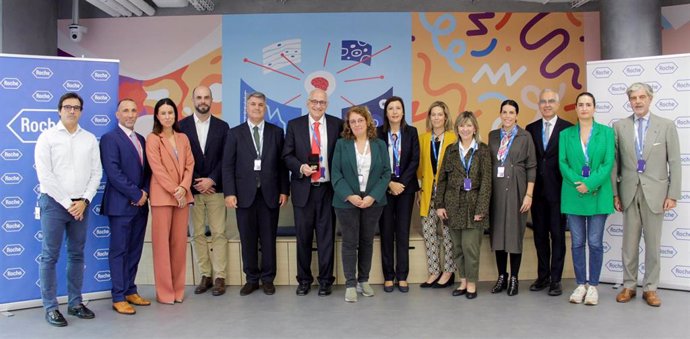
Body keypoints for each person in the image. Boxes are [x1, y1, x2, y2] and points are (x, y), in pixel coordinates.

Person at [35, 92, 102, 327]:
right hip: (54, 203)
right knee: (50, 256)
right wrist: (68, 204)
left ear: (81, 111)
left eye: (76, 107)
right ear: (59, 110)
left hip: (81, 204)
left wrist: (84, 201)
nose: (72, 111)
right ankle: (50, 307)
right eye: (67, 107)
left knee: (76, 254)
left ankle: (75, 303)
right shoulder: (47, 137)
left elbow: (96, 173)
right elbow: (45, 175)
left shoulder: (90, 139)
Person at [613, 82, 681, 307]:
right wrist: (615, 193)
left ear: (650, 99)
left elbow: (675, 163)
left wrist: (673, 194)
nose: (638, 102)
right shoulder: (620, 127)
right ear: (629, 101)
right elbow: (616, 164)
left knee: (653, 244)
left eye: (642, 97)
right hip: (629, 192)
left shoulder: (666, 125)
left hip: (657, 195)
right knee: (629, 245)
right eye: (634, 98)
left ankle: (651, 288)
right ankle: (629, 285)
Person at [223, 91, 289, 296]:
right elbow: (227, 166)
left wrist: (284, 190)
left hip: (270, 194)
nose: (257, 108)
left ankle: (268, 278)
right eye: (253, 104)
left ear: (265, 108)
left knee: (268, 238)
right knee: (248, 238)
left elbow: (282, 165)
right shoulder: (235, 133)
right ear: (247, 107)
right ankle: (251, 278)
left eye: (261, 105)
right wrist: (229, 193)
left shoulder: (276, 132)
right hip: (243, 196)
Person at [282, 89, 343, 296]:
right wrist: (300, 167)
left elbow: (343, 155)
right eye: (315, 102)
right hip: (303, 189)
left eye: (323, 102)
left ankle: (326, 280)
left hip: (328, 190)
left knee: (327, 238)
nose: (318, 106)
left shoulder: (337, 124)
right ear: (308, 103)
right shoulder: (294, 125)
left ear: (327, 104)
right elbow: (286, 155)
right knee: (304, 238)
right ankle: (304, 280)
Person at [559, 92, 615, 306]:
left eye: (588, 104)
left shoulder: (607, 133)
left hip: (598, 194)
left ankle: (593, 286)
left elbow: (608, 163)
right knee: (577, 243)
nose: (584, 108)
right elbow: (563, 163)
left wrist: (589, 184)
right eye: (580, 104)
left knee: (594, 242)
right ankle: (580, 284)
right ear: (576, 108)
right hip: (573, 194)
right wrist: (578, 183)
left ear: (594, 108)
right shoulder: (566, 134)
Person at [332, 105, 390, 302]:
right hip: (347, 202)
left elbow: (386, 173)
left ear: (368, 122)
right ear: (348, 124)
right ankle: (350, 283)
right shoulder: (341, 144)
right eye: (352, 121)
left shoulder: (379, 144)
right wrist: (349, 195)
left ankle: (363, 280)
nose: (356, 124)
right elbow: (336, 174)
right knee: (349, 242)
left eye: (360, 120)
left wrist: (372, 196)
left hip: (373, 201)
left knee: (366, 241)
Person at [100, 99, 151, 315]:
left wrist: (145, 192)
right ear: (117, 114)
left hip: (140, 206)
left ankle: (131, 290)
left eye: (133, 110)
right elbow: (113, 172)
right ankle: (118, 296)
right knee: (119, 251)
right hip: (120, 206)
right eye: (125, 111)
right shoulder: (110, 139)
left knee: (134, 250)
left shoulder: (140, 139)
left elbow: (148, 170)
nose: (130, 114)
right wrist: (136, 194)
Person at [179, 86, 230, 296]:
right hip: (192, 190)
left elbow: (226, 158)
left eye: (206, 97)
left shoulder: (222, 126)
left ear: (212, 100)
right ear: (193, 100)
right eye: (199, 97)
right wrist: (197, 182)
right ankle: (206, 275)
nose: (203, 101)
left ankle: (220, 276)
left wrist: (211, 180)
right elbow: (180, 159)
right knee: (197, 234)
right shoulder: (181, 127)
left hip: (216, 189)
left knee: (219, 233)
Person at [436, 111, 492, 300]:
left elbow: (486, 182)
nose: (465, 129)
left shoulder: (483, 150)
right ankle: (463, 280)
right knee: (458, 247)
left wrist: (482, 209)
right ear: (457, 128)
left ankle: (472, 283)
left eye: (469, 125)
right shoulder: (450, 150)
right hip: (453, 206)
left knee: (471, 247)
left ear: (474, 128)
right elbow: (441, 180)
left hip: (474, 205)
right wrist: (439, 204)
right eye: (462, 125)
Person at [146, 98, 195, 305]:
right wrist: (176, 190)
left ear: (175, 115)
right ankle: (165, 292)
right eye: (163, 113)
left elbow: (190, 165)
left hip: (182, 197)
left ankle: (177, 290)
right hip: (163, 198)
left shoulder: (183, 137)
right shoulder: (153, 138)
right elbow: (157, 169)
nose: (167, 116)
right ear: (157, 116)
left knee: (178, 245)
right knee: (161, 247)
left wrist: (183, 188)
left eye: (170, 112)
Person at [525, 89, 573, 296]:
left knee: (558, 236)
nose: (547, 104)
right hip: (536, 193)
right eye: (543, 101)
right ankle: (542, 276)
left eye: (551, 101)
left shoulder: (568, 129)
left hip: (560, 192)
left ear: (557, 104)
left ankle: (556, 280)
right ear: (538, 104)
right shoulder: (531, 128)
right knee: (540, 237)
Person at [488, 99, 536, 296]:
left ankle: (514, 277)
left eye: (511, 112)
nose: (507, 116)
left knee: (514, 234)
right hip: (496, 190)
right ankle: (502, 276)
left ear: (517, 115)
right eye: (504, 112)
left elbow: (532, 166)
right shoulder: (492, 136)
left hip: (518, 189)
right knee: (498, 233)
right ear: (500, 114)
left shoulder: (525, 136)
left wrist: (528, 194)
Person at [376, 96, 419, 293]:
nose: (394, 112)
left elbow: (414, 160)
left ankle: (402, 276)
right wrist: (389, 183)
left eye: (398, 108)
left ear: (403, 112)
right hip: (385, 188)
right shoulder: (377, 134)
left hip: (406, 189)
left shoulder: (411, 132)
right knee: (386, 232)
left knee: (402, 232)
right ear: (386, 113)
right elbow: (375, 162)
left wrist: (400, 184)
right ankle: (388, 276)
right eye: (390, 108)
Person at [417, 101, 457, 288]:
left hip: (447, 195)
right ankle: (434, 271)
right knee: (429, 234)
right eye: (433, 114)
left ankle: (449, 272)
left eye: (440, 114)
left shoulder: (453, 138)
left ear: (446, 117)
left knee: (448, 235)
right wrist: (419, 190)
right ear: (429, 117)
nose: (436, 118)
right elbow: (419, 168)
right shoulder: (423, 138)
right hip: (427, 194)